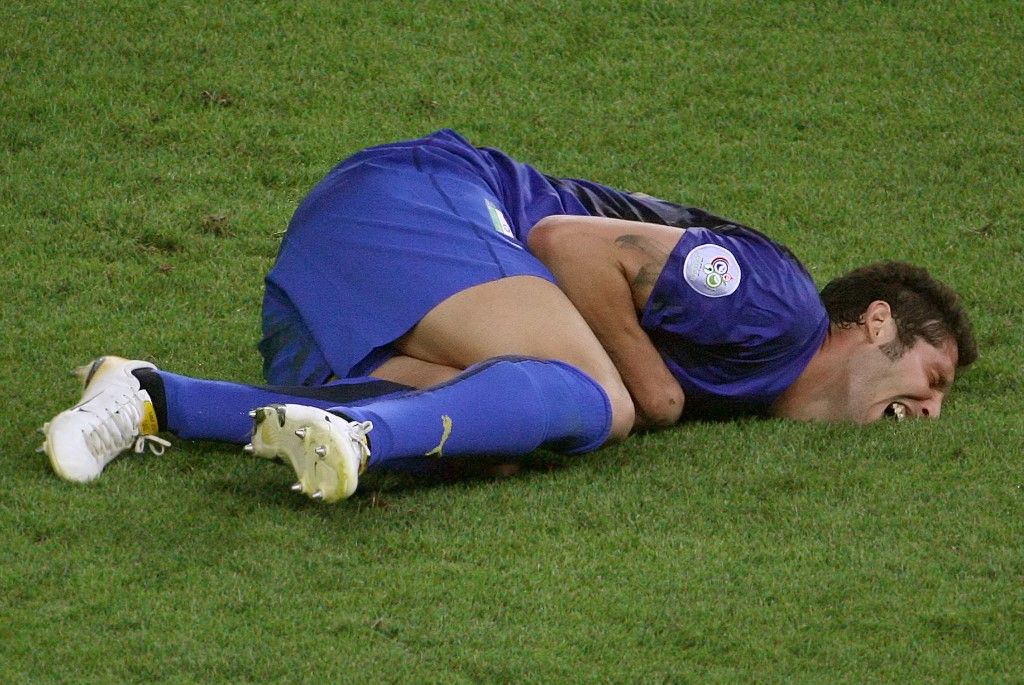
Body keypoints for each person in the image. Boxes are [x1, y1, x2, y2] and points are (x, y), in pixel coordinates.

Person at [39, 129, 977, 502]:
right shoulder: (778, 306)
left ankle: (150, 395)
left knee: (482, 433)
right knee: (603, 402)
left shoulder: (760, 374)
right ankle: (364, 433)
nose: (928, 412)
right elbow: (573, 242)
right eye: (930, 381)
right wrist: (651, 388)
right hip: (421, 202)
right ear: (875, 323)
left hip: (344, 292)